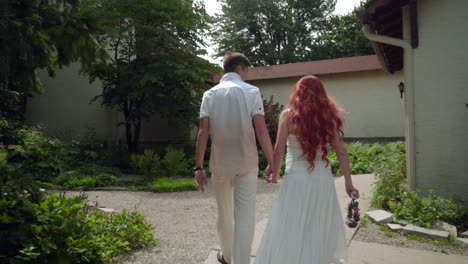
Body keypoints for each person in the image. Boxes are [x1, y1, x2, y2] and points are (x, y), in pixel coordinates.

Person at [255, 75, 360, 264]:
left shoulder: (287, 115)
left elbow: (279, 149)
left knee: (292, 223)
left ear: (297, 92)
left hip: (296, 179)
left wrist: (275, 172)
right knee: (318, 225)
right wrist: (348, 183)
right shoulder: (328, 116)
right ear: (322, 93)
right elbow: (342, 152)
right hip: (322, 178)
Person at [194, 52, 274, 264]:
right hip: (246, 163)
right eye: (246, 71)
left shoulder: (209, 95)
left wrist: (198, 167)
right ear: (240, 68)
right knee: (245, 216)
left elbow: (203, 133)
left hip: (220, 164)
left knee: (224, 212)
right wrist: (273, 162)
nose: (246, 76)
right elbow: (262, 130)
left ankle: (227, 256)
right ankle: (241, 261)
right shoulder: (251, 91)